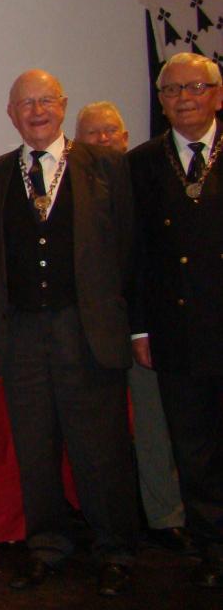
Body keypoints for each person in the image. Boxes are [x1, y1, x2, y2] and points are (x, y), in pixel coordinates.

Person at [0, 69, 138, 596]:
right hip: (22, 334)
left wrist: (133, 328)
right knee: (36, 447)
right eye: (26, 103)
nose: (37, 111)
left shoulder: (107, 168)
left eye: (46, 101)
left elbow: (132, 253)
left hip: (87, 330)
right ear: (11, 113)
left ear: (63, 106)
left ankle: (115, 549)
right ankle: (46, 545)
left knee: (100, 449)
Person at [75, 100, 192, 554]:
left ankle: (167, 515)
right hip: (94, 333)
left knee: (159, 424)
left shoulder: (149, 176)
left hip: (151, 325)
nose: (104, 140)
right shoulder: (69, 189)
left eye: (112, 132)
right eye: (93, 134)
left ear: (126, 137)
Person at [128, 53, 223, 590]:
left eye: (195, 87)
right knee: (194, 447)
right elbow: (134, 253)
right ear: (161, 102)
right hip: (175, 330)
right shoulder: (141, 163)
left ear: (217, 95)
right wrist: (140, 328)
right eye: (171, 91)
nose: (184, 98)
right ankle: (212, 547)